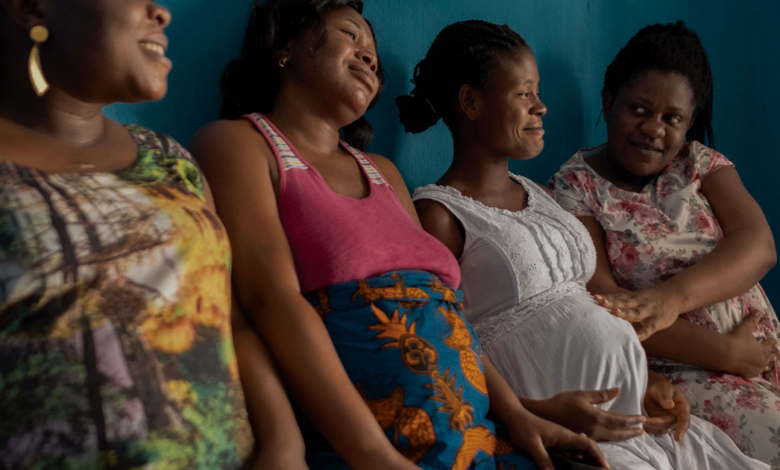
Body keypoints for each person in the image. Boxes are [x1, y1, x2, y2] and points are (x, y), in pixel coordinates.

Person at [190, 1, 609, 469]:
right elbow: (268, 299)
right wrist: (369, 452)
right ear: (285, 45)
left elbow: (449, 318)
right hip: (375, 442)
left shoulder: (384, 172)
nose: (370, 56)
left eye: (374, 50)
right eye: (351, 35)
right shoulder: (238, 144)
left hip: (469, 434)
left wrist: (517, 413)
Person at [403, 19, 768, 469]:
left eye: (537, 93)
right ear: (471, 101)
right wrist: (529, 412)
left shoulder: (538, 196)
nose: (541, 107)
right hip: (571, 427)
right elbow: (444, 345)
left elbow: (587, 305)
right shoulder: (439, 214)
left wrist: (644, 378)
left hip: (635, 416)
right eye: (524, 94)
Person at [0, 0, 306, 468]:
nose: (161, 13)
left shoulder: (169, 159)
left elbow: (230, 320)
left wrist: (286, 446)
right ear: (31, 7)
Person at [549, 21, 780, 467]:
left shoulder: (700, 164)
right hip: (687, 371)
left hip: (761, 356)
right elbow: (604, 305)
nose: (653, 129)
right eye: (639, 109)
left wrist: (668, 299)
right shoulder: (575, 188)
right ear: (608, 102)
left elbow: (758, 244)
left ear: (688, 123)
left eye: (671, 118)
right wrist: (728, 353)